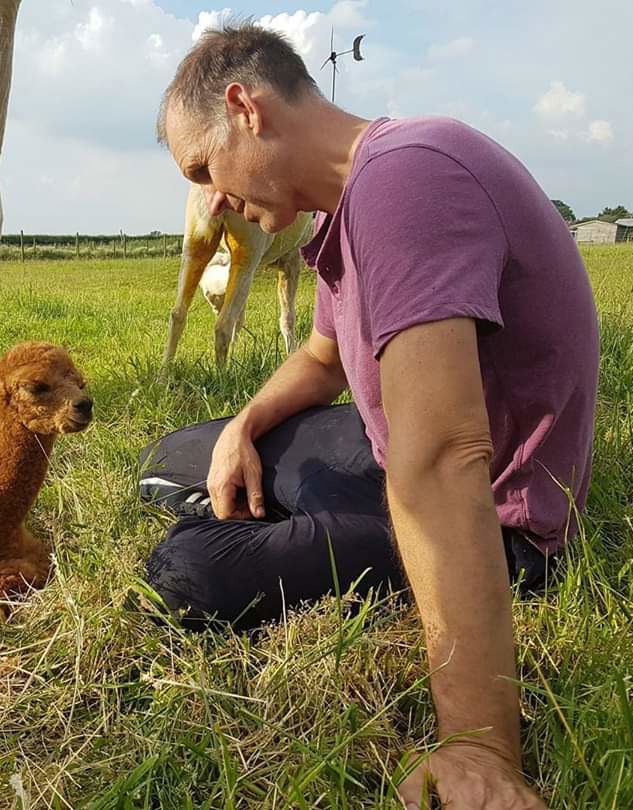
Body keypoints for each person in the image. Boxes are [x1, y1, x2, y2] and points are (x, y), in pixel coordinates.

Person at [144, 23, 599, 810]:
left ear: (244, 107)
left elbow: (446, 453)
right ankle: (280, 505)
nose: (212, 198)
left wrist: (480, 748)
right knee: (175, 457)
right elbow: (323, 362)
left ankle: (296, 524)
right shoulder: (349, 204)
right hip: (388, 448)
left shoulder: (407, 180)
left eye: (203, 167)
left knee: (186, 572)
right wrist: (242, 428)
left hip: (495, 513)